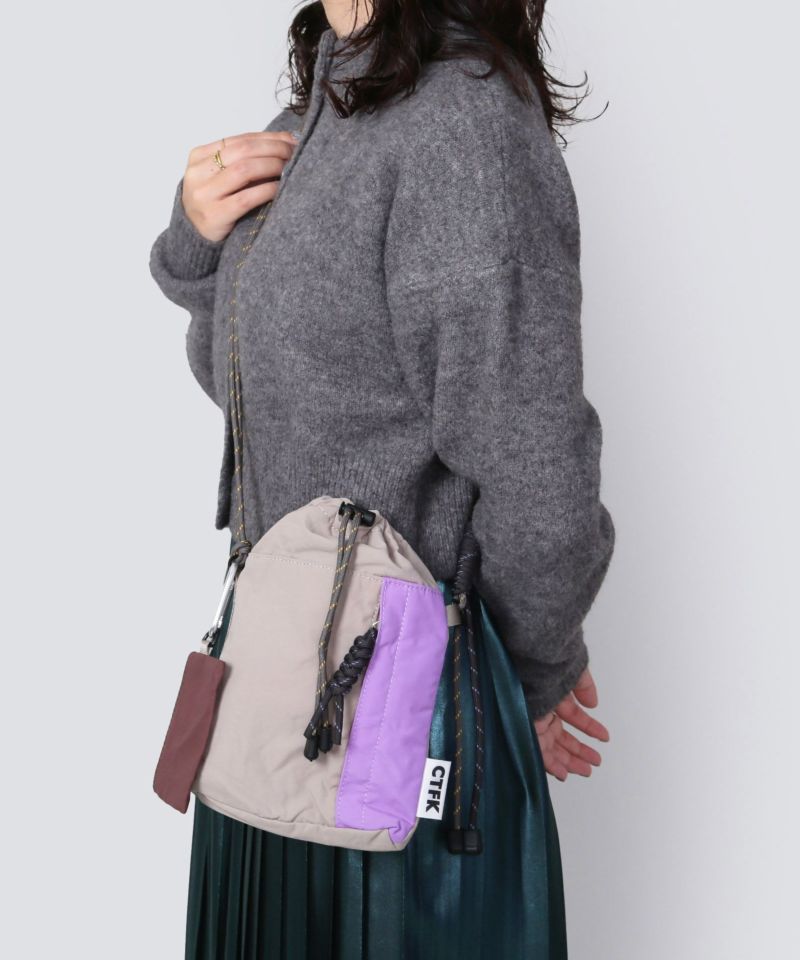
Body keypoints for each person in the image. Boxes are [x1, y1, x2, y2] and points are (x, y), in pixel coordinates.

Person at [148, 1, 615, 956]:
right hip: (272, 705)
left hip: (400, 720)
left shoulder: (463, 126)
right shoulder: (318, 115)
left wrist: (524, 676)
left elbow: (538, 473)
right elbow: (268, 400)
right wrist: (195, 249)